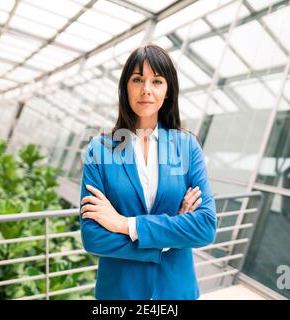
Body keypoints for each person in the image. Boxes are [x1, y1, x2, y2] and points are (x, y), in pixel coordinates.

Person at [79, 44, 217, 300]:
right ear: (125, 88)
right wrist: (168, 239)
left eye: (157, 81)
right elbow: (93, 237)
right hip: (120, 293)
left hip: (176, 291)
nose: (146, 89)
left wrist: (124, 224)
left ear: (168, 91)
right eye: (137, 79)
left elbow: (205, 227)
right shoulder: (100, 150)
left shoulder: (187, 146)